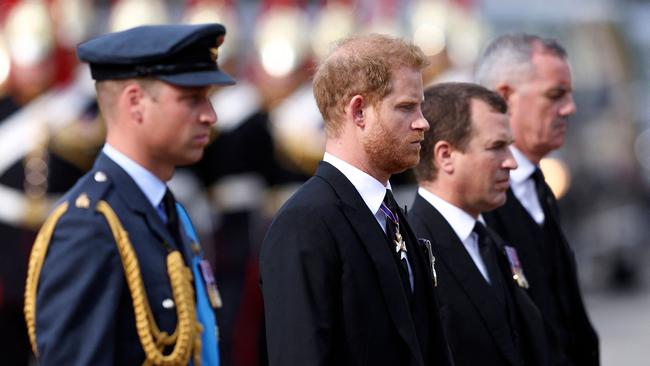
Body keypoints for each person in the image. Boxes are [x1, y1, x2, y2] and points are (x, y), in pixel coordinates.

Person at [23, 23, 234, 365]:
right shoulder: (90, 226)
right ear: (135, 102)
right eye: (192, 99)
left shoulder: (166, 211)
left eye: (208, 99)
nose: (210, 116)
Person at [259, 34, 453, 366]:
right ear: (359, 111)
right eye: (406, 107)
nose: (423, 122)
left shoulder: (390, 215)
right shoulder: (305, 223)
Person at [476, 33, 599, 365]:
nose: (569, 108)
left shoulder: (538, 185)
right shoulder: (477, 199)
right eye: (555, 95)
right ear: (504, 97)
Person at [409, 82, 548, 366]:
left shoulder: (490, 242)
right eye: (496, 147)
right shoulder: (412, 253)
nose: (511, 163)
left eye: (509, 147)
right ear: (445, 155)